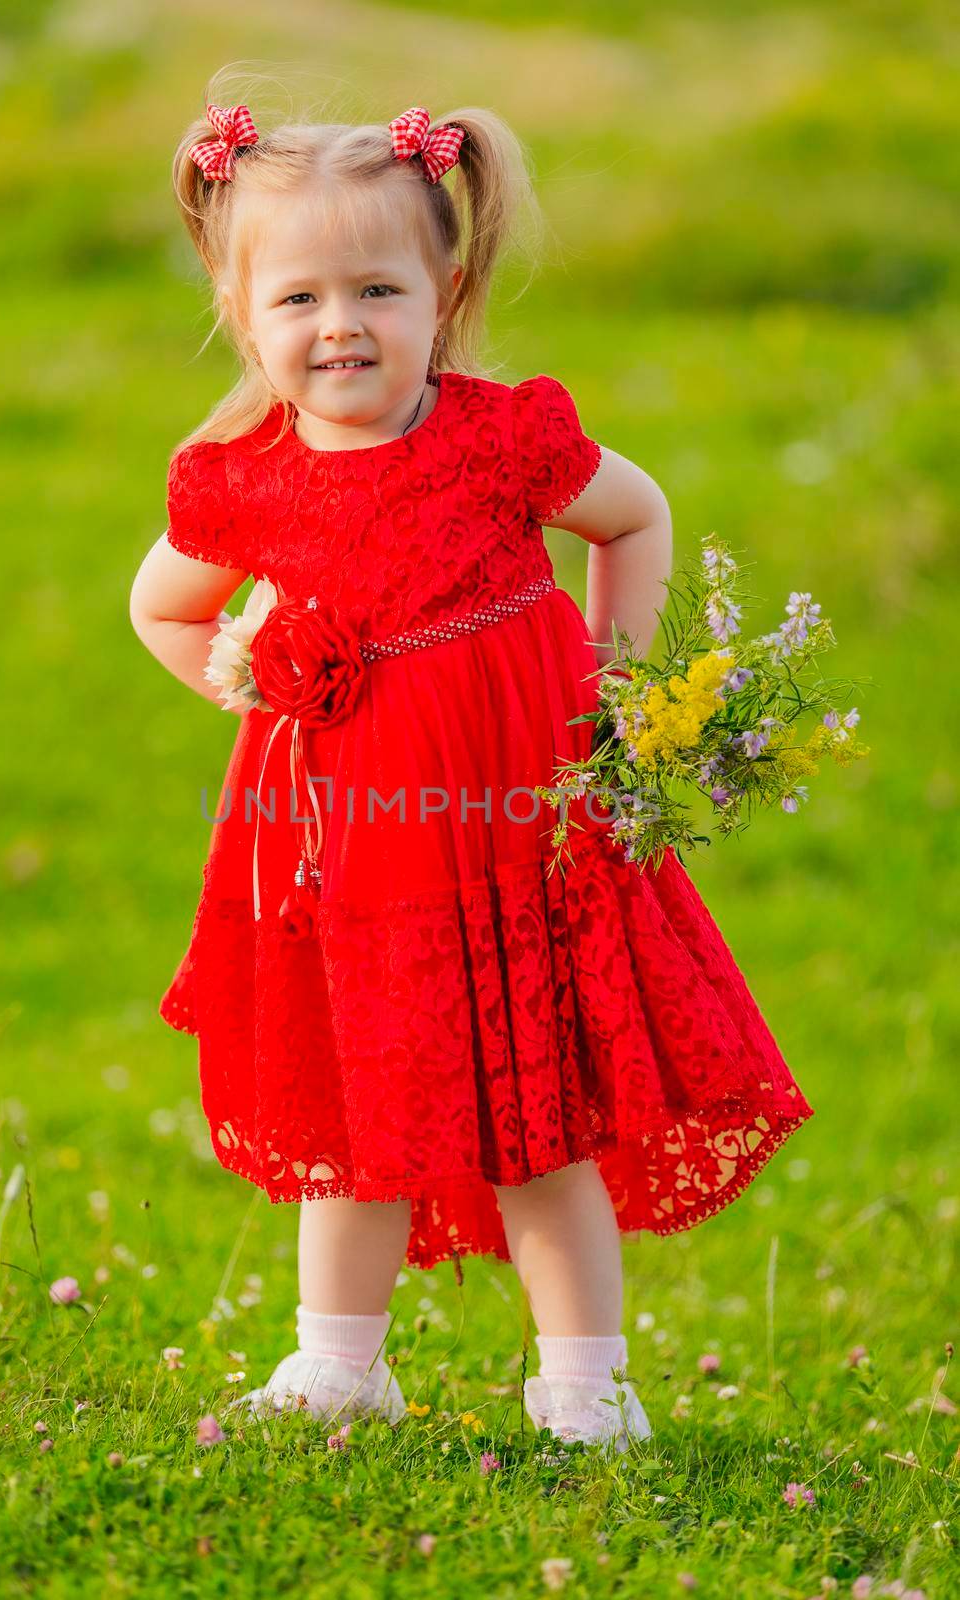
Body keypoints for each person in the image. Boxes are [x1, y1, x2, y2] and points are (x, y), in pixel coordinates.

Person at [129, 80, 814, 1449]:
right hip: (358, 854)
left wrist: (619, 681)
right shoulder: (247, 481)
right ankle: (340, 1363)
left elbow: (635, 516)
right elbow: (163, 605)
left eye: (378, 290)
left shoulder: (499, 444)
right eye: (301, 300)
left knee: (542, 1120)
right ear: (237, 304)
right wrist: (250, 674)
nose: (341, 328)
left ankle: (586, 1383)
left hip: (523, 844)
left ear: (443, 290)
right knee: (359, 1119)